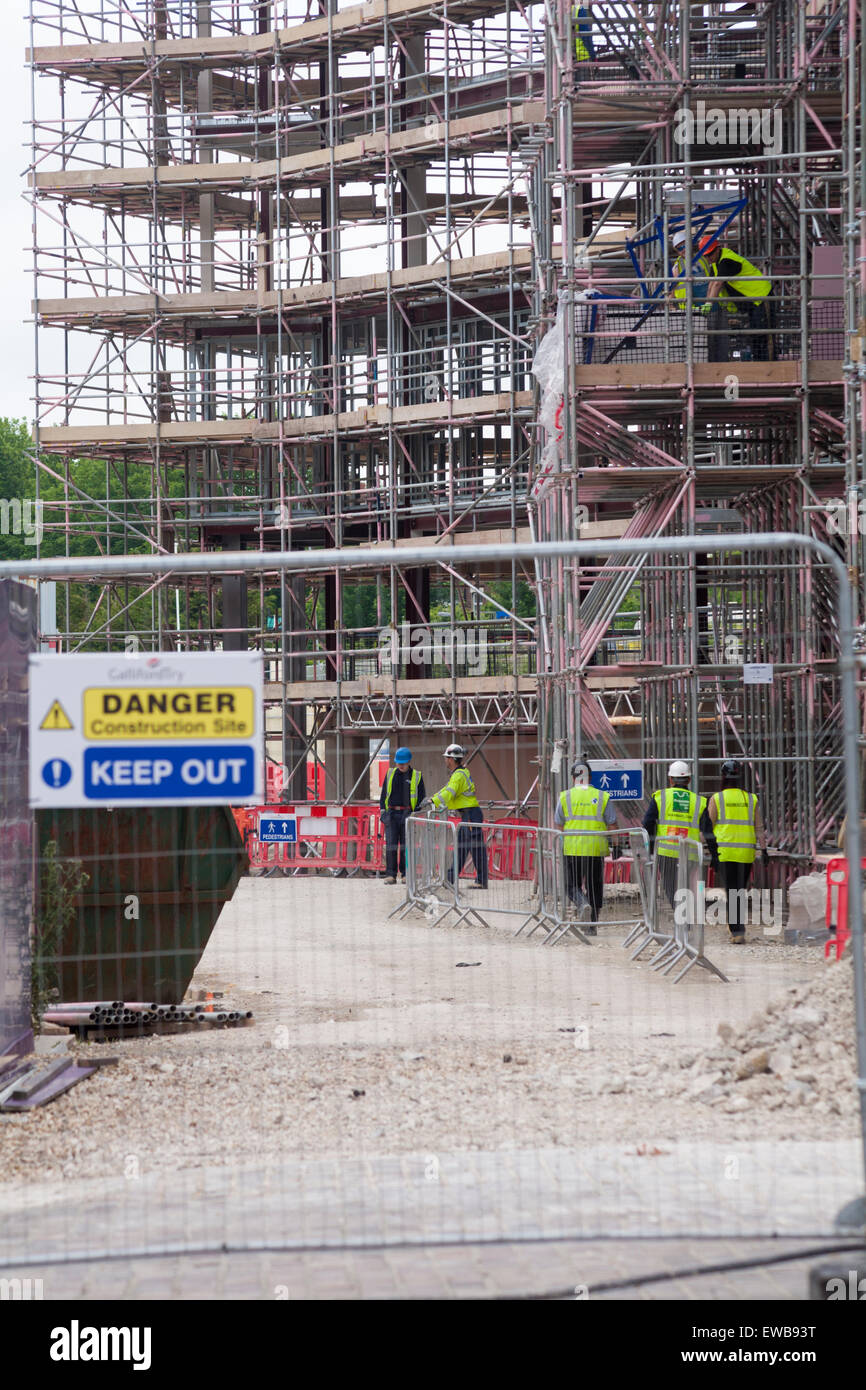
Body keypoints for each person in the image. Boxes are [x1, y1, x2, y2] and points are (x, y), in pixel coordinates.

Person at [704, 758, 769, 943]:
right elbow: (759, 827)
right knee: (739, 889)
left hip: (725, 852)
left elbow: (709, 826)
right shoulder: (751, 798)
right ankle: (736, 928)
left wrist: (710, 852)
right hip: (746, 853)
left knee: (731, 890)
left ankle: (737, 931)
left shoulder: (717, 799)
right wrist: (764, 851)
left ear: (723, 777)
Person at [555, 757, 618, 934]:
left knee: (570, 886)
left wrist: (560, 845)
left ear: (573, 777)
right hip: (595, 849)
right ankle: (592, 927)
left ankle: (582, 903)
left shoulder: (565, 797)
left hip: (572, 848)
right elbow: (612, 824)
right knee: (594, 887)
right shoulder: (602, 796)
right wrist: (617, 845)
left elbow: (559, 825)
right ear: (590, 777)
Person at [643, 759, 712, 909]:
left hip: (666, 852)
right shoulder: (699, 801)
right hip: (690, 853)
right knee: (686, 888)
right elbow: (708, 832)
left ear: (670, 779)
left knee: (671, 888)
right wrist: (715, 854)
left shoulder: (660, 797)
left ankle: (681, 919)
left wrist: (650, 846)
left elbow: (648, 823)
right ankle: (684, 921)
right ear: (689, 779)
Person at [700, 238, 772, 361]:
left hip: (762, 296)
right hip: (753, 301)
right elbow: (712, 283)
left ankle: (769, 367)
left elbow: (718, 284)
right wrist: (707, 302)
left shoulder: (726, 260)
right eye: (706, 256)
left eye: (710, 254)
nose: (709, 258)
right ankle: (759, 365)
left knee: (763, 335)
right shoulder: (716, 264)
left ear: (718, 249)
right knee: (755, 335)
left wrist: (708, 304)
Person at [428, 743, 488, 890]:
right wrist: (434, 797)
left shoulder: (459, 775)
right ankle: (451, 879)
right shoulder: (459, 774)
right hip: (469, 815)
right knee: (463, 847)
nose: (445, 760)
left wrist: (433, 800)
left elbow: (449, 793)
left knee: (475, 848)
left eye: (447, 757)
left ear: (452, 759)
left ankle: (479, 880)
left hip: (470, 815)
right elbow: (446, 789)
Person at [379, 746, 425, 885]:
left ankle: (406, 874)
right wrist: (384, 813)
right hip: (392, 814)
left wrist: (413, 812)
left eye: (403, 763)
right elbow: (383, 795)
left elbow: (421, 797)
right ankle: (391, 875)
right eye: (398, 763)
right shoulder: (390, 774)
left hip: (407, 814)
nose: (400, 765)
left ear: (409, 761)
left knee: (407, 845)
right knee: (391, 845)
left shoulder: (416, 776)